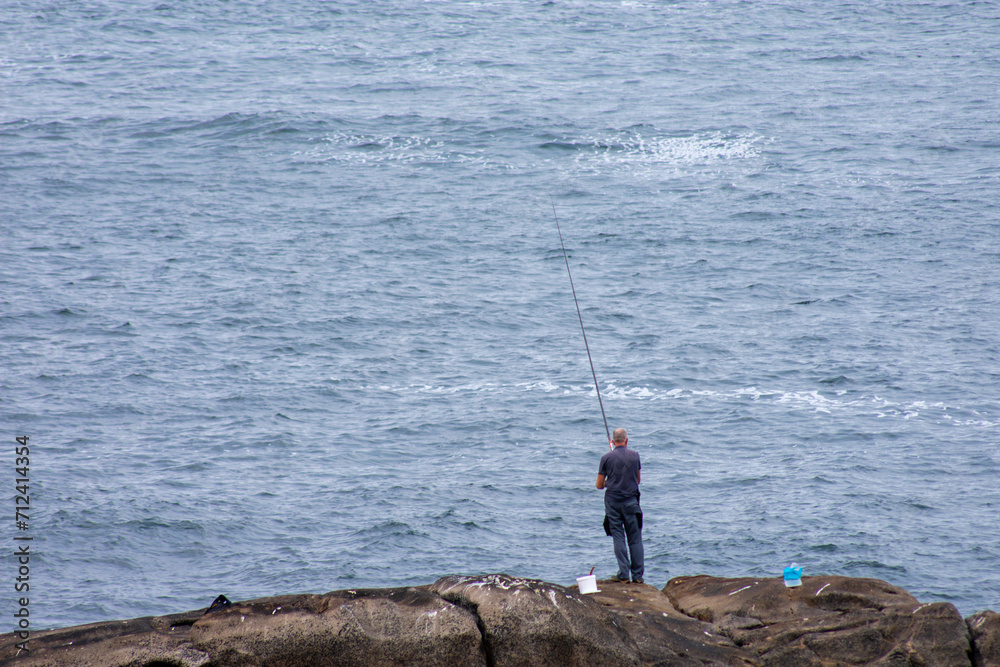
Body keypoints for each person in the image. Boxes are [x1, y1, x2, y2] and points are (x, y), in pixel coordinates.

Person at [596, 427, 644, 584]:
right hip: (631, 503)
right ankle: (637, 576)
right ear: (626, 440)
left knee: (618, 537)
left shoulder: (606, 458)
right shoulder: (635, 456)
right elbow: (637, 480)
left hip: (613, 503)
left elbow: (599, 485)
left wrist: (610, 481)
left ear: (612, 441)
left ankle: (623, 574)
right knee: (635, 539)